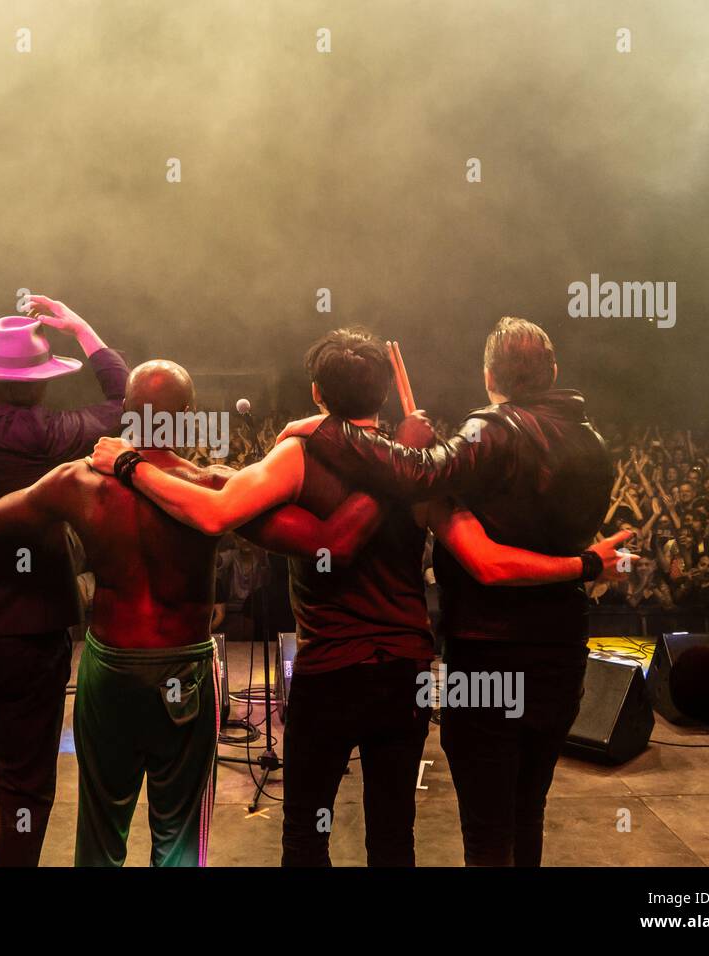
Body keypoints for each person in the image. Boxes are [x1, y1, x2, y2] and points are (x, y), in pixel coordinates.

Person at [92, 325, 629, 867]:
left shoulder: (299, 455)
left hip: (332, 670)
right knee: (395, 838)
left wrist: (128, 463)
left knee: (305, 835)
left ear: (318, 394)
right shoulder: (415, 470)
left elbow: (213, 513)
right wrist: (584, 563)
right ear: (383, 395)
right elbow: (481, 557)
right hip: (405, 671)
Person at [0, 361, 381, 866]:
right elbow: (327, 543)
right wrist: (383, 476)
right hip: (184, 670)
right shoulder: (214, 487)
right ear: (187, 415)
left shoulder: (77, 481)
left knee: (100, 835)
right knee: (180, 837)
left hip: (110, 670)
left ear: (124, 412)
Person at [262, 317, 615, 867]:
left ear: (490, 373)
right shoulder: (594, 443)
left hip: (488, 649)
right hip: (561, 650)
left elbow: (425, 481)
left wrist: (326, 429)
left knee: (487, 825)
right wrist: (585, 565)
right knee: (525, 812)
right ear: (553, 371)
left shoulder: (493, 430)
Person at [0, 295, 129, 867]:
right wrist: (82, 328)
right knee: (25, 781)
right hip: (32, 628)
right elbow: (125, 400)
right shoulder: (58, 433)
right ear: (40, 383)